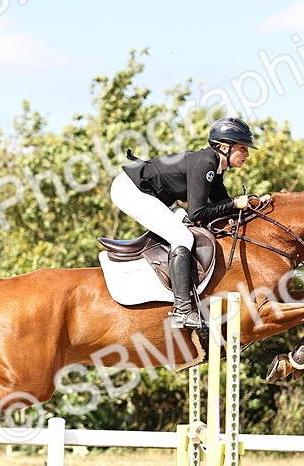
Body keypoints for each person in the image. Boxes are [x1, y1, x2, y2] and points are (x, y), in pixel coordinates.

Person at [110, 116, 261, 329]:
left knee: (183, 222)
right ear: (225, 147)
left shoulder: (216, 168)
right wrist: (235, 203)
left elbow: (221, 206)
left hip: (146, 192)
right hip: (130, 190)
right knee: (181, 236)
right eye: (243, 148)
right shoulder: (205, 163)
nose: (246, 153)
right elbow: (199, 211)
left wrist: (253, 206)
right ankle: (182, 310)